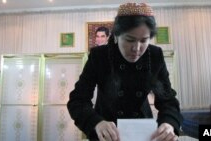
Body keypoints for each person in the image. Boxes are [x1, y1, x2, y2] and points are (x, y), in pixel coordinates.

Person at [67, 2, 183, 141]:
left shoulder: (155, 55)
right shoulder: (99, 56)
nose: (137, 48)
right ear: (116, 35)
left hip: (143, 132)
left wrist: (168, 123)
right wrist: (96, 122)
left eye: (144, 40)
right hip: (107, 132)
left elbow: (167, 100)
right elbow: (78, 100)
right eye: (129, 40)